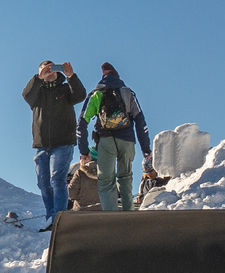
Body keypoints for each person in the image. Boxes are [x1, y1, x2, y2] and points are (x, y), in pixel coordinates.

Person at [79, 62, 151, 211]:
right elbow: (140, 120)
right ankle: (128, 212)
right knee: (125, 176)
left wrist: (84, 151)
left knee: (106, 181)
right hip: (127, 140)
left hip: (105, 141)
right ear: (118, 76)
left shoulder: (96, 94)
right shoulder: (128, 93)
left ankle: (111, 217)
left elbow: (81, 123)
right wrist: (146, 148)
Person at [22, 61, 86, 224]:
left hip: (63, 142)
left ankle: (59, 218)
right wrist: (38, 78)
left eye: (53, 69)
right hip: (42, 145)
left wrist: (71, 76)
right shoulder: (37, 94)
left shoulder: (65, 89)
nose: (50, 72)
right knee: (43, 183)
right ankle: (50, 218)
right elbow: (26, 94)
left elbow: (80, 95)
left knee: (57, 179)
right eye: (46, 69)